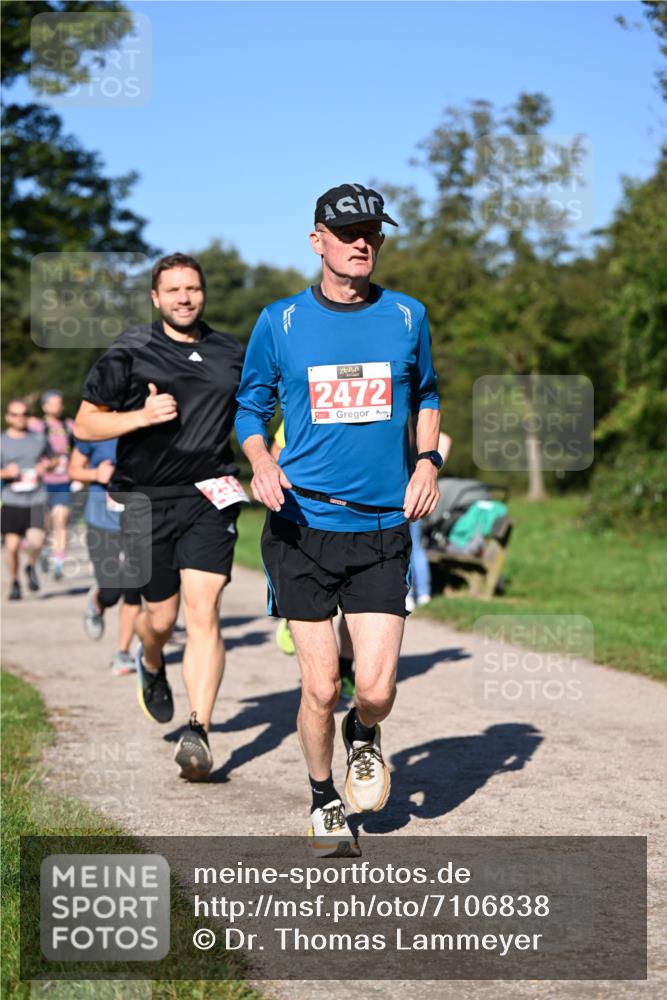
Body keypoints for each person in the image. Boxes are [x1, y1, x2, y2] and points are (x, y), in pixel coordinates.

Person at [236, 182, 442, 855]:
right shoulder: (281, 321)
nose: (362, 243)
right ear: (316, 240)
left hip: (381, 528)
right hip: (300, 527)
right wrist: (260, 460)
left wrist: (427, 462)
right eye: (348, 232)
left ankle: (365, 731)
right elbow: (250, 406)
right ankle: (323, 797)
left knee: (375, 690)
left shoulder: (407, 316)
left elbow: (428, 395)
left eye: (372, 232)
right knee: (321, 685)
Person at [73, 253, 246, 781]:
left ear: (204, 293)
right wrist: (141, 417)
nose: (184, 298)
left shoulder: (231, 352)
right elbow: (85, 425)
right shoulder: (130, 350)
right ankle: (150, 659)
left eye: (192, 288)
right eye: (173, 290)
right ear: (155, 297)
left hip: (210, 495)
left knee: (204, 611)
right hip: (145, 499)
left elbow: (255, 413)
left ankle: (199, 730)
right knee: (161, 620)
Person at [271, 419, 356, 695]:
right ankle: (297, 619)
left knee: (357, 606)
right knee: (321, 602)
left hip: (361, 516)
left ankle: (346, 666)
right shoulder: (311, 402)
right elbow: (277, 450)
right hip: (312, 516)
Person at [69, 439, 142, 675]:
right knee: (111, 592)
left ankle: (122, 652)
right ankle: (98, 601)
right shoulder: (96, 430)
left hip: (139, 522)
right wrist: (95, 473)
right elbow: (73, 470)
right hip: (102, 522)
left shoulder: (148, 429)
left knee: (133, 588)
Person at [1, 400, 51, 599]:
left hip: (36, 498)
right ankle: (14, 582)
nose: (19, 418)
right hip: (12, 501)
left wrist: (46, 466)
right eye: (15, 414)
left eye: (23, 414)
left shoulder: (39, 439)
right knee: (12, 547)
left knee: (36, 542)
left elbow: (55, 458)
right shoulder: (2, 441)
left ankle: (30, 566)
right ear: (7, 417)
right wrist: (5, 472)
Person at [405, 430, 452, 612]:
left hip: (404, 493)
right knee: (416, 546)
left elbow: (445, 438)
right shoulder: (422, 435)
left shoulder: (406, 432)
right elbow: (446, 439)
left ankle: (408, 594)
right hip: (418, 492)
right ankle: (424, 594)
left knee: (405, 547)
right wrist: (433, 467)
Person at [31, 390, 75, 580]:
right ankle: (44, 551)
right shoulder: (36, 426)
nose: (59, 406)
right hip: (43, 483)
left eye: (60, 402)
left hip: (64, 481)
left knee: (61, 520)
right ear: (45, 406)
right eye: (54, 403)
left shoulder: (69, 425)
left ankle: (58, 563)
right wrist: (42, 465)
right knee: (45, 524)